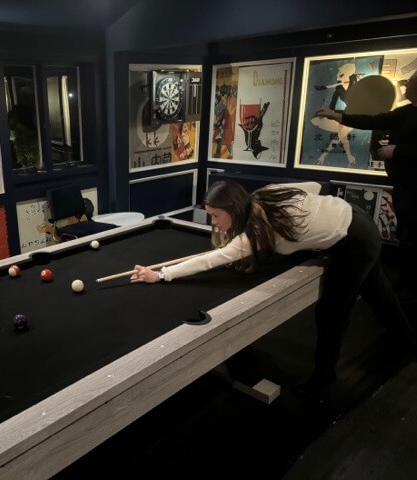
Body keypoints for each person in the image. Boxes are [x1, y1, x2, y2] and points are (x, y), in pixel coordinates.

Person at [131, 180, 415, 401]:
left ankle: (323, 382)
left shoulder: (255, 231)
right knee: (379, 292)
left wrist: (161, 274)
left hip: (354, 243)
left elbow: (210, 260)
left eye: (216, 216)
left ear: (233, 208)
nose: (213, 223)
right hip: (357, 219)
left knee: (331, 313)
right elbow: (314, 187)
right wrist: (315, 214)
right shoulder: (265, 193)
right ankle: (407, 340)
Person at [314, 70, 417, 297]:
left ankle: (410, 289)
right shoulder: (407, 112)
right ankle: (407, 282)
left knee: (412, 238)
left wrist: (397, 151)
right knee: (406, 236)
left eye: (409, 82)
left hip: (413, 190)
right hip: (404, 187)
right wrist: (339, 116)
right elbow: (374, 120)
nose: (405, 86)